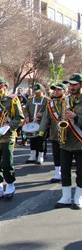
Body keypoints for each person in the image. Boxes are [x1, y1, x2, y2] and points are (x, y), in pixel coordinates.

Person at [54, 74, 82, 209]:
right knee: (64, 170)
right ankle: (65, 197)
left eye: (74, 84)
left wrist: (76, 117)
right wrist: (61, 124)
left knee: (81, 172)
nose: (71, 87)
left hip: (80, 142)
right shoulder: (65, 101)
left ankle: (78, 197)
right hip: (66, 142)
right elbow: (60, 118)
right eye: (70, 85)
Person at [39, 83, 67, 183]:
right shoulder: (50, 104)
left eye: (59, 90)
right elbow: (45, 119)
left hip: (68, 134)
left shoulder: (68, 102)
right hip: (55, 133)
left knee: (66, 155)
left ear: (64, 91)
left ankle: (65, 173)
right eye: (55, 90)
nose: (56, 92)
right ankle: (57, 173)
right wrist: (41, 132)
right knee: (56, 154)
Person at [24, 83, 48, 165]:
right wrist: (26, 116)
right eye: (35, 91)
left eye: (38, 91)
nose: (36, 93)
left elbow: (50, 112)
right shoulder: (30, 100)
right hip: (32, 123)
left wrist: (42, 114)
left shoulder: (46, 100)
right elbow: (26, 109)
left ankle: (41, 156)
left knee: (41, 140)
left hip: (42, 124)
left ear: (42, 90)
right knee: (32, 139)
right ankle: (32, 156)